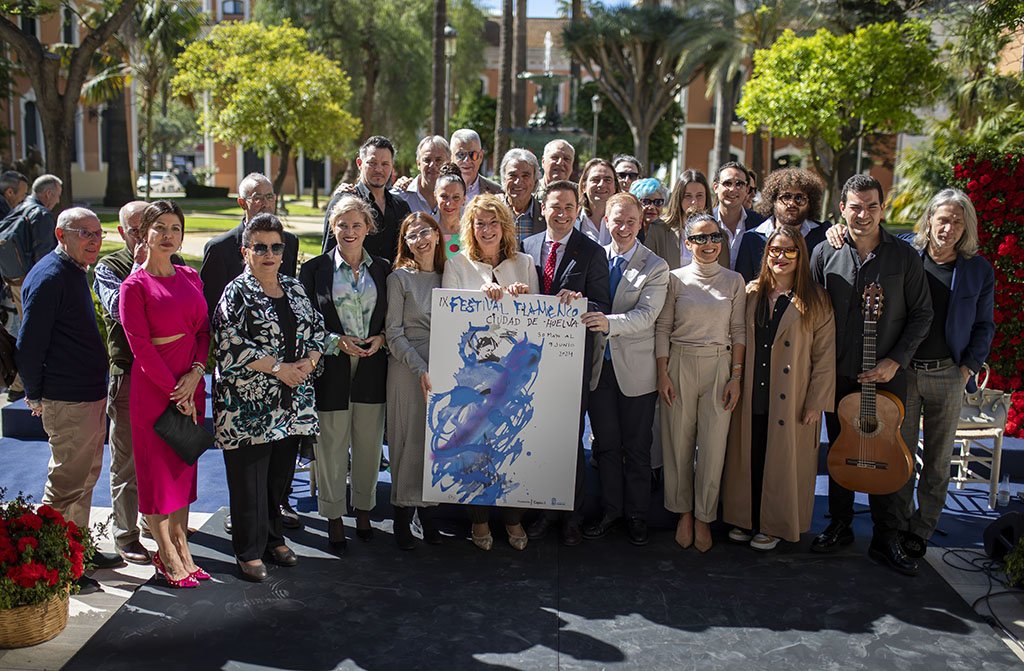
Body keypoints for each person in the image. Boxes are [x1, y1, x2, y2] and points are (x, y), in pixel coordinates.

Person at [824, 188, 995, 560]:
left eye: (957, 221)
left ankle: (920, 529)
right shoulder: (905, 253)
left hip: (946, 372)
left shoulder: (976, 269)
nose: (948, 228)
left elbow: (984, 325)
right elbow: (861, 234)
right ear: (929, 219)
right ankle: (895, 527)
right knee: (895, 454)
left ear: (967, 227)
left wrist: (968, 366)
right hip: (903, 374)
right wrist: (834, 231)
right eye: (943, 219)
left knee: (936, 459)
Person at [809, 174, 932, 577]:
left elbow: (922, 314)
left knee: (891, 454)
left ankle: (887, 536)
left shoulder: (904, 256)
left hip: (889, 376)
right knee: (843, 448)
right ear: (841, 209)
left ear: (883, 208)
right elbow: (808, 310)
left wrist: (896, 361)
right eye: (855, 207)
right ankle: (840, 524)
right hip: (838, 372)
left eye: (872, 206)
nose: (864, 214)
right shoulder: (825, 252)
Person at [213, 213, 326, 581]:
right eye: (260, 247)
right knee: (248, 482)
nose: (269, 254)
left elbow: (316, 329)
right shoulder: (237, 293)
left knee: (278, 478)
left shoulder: (294, 288)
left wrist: (308, 362)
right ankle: (248, 550)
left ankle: (273, 538)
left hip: (290, 405)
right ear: (246, 251)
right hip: (248, 407)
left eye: (276, 247)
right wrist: (280, 368)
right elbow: (229, 343)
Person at [16, 206, 123, 594]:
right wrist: (34, 393)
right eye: (85, 234)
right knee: (65, 486)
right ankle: (54, 563)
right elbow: (28, 345)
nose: (94, 241)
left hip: (88, 395)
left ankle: (77, 552)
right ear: (62, 235)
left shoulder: (74, 271)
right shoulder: (49, 276)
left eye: (98, 234)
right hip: (67, 399)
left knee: (84, 480)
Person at [721, 226, 835, 550]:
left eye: (789, 251)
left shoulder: (816, 300)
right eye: (774, 250)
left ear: (801, 256)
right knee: (750, 453)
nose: (780, 257)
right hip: (754, 391)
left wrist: (816, 402)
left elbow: (825, 358)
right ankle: (745, 519)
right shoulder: (751, 292)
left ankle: (773, 525)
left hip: (792, 398)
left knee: (781, 461)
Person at [200, 172, 300, 533]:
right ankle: (242, 516)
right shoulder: (220, 247)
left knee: (281, 453)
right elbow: (214, 315)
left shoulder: (288, 241)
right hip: (243, 377)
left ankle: (278, 508)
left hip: (286, 378)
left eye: (269, 196)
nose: (264, 201)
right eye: (256, 196)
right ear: (242, 203)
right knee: (247, 460)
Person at [120, 200, 210, 588]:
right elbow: (140, 348)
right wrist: (177, 391)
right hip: (156, 391)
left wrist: (196, 374)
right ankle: (167, 554)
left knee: (182, 469)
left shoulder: (191, 276)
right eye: (161, 228)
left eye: (175, 228)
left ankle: (182, 544)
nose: (168, 235)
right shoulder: (133, 287)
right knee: (157, 476)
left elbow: (205, 332)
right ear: (144, 234)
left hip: (193, 383)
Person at [442, 194, 538, 551]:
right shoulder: (457, 264)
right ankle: (479, 522)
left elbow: (536, 322)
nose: (487, 229)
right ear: (470, 227)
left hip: (511, 378)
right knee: (475, 447)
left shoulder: (525, 263)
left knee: (510, 442)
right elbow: (451, 318)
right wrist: (478, 298)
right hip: (472, 377)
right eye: (479, 223)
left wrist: (522, 297)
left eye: (493, 222)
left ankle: (513, 519)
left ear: (505, 226)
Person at [94, 201, 184, 565]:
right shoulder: (110, 267)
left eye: (162, 227)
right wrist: (141, 265)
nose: (151, 236)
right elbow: (118, 308)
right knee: (128, 461)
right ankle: (126, 534)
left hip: (171, 378)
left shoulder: (178, 267)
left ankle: (156, 525)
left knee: (166, 456)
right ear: (124, 233)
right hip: (130, 375)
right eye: (137, 230)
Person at [301, 194, 391, 553]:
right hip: (331, 367)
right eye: (342, 225)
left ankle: (365, 509)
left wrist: (382, 337)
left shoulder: (383, 268)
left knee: (368, 445)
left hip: (373, 365)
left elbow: (391, 319)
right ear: (332, 228)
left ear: (368, 227)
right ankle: (334, 515)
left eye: (357, 224)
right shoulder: (314, 269)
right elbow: (305, 324)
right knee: (332, 446)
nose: (349, 231)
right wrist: (335, 341)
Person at [523, 180, 611, 546]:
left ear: (578, 210)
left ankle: (570, 516)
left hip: (570, 362)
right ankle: (541, 510)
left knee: (569, 439)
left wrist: (580, 301)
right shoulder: (526, 249)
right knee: (534, 434)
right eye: (555, 206)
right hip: (527, 361)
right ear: (542, 207)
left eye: (569, 207)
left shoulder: (592, 252)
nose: (561, 213)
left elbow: (603, 306)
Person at [581, 193, 669, 546]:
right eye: (617, 220)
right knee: (606, 446)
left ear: (641, 223)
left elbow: (646, 317)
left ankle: (636, 515)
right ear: (606, 221)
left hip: (636, 371)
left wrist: (606, 322)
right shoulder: (595, 257)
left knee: (636, 448)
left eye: (632, 221)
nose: (624, 227)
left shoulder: (656, 266)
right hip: (599, 371)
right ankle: (610, 511)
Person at [655, 212, 746, 553]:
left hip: (719, 366)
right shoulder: (674, 279)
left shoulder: (735, 281)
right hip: (679, 362)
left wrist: (736, 377)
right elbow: (663, 327)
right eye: (701, 238)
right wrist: (663, 372)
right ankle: (684, 512)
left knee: (713, 445)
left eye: (715, 238)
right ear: (688, 243)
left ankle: (706, 515)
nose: (709, 244)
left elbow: (739, 331)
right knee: (677, 442)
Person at [385, 212, 447, 550]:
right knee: (407, 441)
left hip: (443, 370)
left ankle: (429, 515)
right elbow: (393, 333)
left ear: (437, 235)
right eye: (412, 235)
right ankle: (402, 517)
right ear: (405, 243)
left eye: (426, 231)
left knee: (435, 444)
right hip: (408, 369)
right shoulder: (399, 279)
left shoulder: (450, 275)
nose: (420, 239)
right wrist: (419, 366)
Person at [1, 174, 62, 402]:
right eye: (56, 196)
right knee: (37, 334)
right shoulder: (42, 214)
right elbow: (46, 259)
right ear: (48, 194)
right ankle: (23, 384)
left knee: (27, 331)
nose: (56, 201)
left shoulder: (19, 208)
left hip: (15, 281)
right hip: (32, 283)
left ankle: (19, 383)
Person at [322, 136, 411, 262]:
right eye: (372, 163)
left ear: (392, 166)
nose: (379, 169)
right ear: (359, 163)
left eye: (385, 164)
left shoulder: (401, 206)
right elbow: (327, 254)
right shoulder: (343, 203)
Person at [734, 168, 830, 282]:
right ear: (773, 200)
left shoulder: (823, 235)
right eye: (786, 197)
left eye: (799, 198)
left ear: (810, 203)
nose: (792, 203)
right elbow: (743, 283)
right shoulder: (751, 238)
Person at [648, 170, 712, 271]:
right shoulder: (658, 230)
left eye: (699, 195)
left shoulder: (718, 234)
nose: (694, 201)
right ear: (678, 197)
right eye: (688, 196)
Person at [712, 162, 765, 270]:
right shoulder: (704, 222)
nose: (733, 189)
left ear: (746, 189)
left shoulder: (761, 224)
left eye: (739, 184)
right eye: (727, 183)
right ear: (716, 187)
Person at [394, 135, 450, 218]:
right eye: (427, 160)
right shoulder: (399, 198)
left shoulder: (458, 200)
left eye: (438, 160)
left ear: (449, 162)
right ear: (418, 163)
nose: (432, 165)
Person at [499, 148, 546, 242]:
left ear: (535, 180)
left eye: (525, 176)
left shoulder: (545, 215)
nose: (518, 182)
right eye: (512, 175)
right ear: (504, 179)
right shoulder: (492, 212)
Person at [450, 128, 502, 202]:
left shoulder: (496, 192)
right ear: (451, 157)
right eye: (461, 155)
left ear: (481, 156)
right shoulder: (439, 189)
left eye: (472, 154)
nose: (467, 160)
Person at [577, 158, 620, 245]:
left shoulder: (627, 219)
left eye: (607, 180)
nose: (601, 184)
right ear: (583, 187)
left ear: (615, 187)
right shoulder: (572, 220)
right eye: (595, 179)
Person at [434, 163, 467, 258]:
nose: (449, 203)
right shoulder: (429, 230)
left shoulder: (471, 231)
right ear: (435, 195)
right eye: (444, 196)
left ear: (464, 199)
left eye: (456, 197)